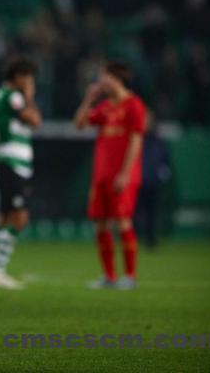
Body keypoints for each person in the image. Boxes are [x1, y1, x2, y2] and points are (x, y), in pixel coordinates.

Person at [74, 61, 146, 290]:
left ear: (117, 79)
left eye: (104, 78)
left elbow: (136, 141)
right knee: (101, 225)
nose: (101, 82)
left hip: (122, 176)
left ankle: (130, 276)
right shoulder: (105, 107)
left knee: (123, 222)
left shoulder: (134, 105)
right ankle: (109, 276)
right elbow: (79, 124)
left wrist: (125, 173)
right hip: (101, 176)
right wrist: (88, 100)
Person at [0, 56, 42, 290]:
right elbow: (35, 120)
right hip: (12, 163)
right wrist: (29, 96)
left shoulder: (0, 95)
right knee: (19, 218)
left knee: (6, 216)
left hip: (10, 163)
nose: (30, 83)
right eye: (28, 78)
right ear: (18, 77)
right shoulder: (13, 96)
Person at [134, 110, 170, 249]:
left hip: (153, 182)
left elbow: (165, 160)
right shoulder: (136, 138)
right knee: (135, 212)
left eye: (148, 120)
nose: (146, 123)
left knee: (152, 212)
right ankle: (133, 239)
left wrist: (161, 175)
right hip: (137, 181)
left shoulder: (158, 140)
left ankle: (151, 239)